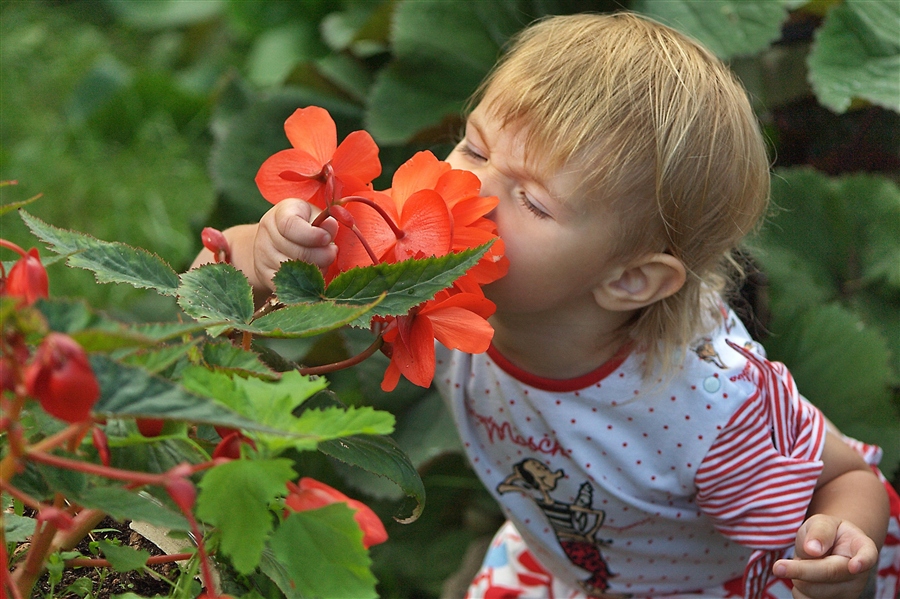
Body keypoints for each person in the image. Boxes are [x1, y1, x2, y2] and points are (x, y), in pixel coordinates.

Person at [193, 12, 900, 599]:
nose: (470, 191)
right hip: (564, 563)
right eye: (473, 147)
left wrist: (840, 554)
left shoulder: (707, 410)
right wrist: (269, 249)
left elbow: (843, 478)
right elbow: (221, 274)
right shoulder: (423, 273)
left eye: (530, 199)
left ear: (628, 280)